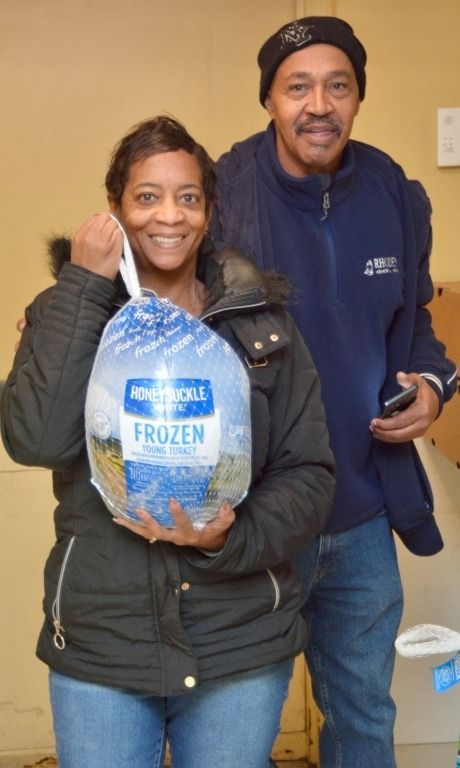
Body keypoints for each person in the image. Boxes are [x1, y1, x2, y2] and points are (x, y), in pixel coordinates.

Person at [1, 116, 335, 768]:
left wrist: (227, 537)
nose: (169, 217)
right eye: (146, 197)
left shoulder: (260, 328)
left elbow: (310, 476)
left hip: (238, 637)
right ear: (116, 210)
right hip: (104, 641)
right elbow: (33, 440)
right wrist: (82, 284)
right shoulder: (69, 312)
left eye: (188, 197)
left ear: (209, 212)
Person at [210, 16, 458, 768]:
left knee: (361, 717)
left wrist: (432, 386)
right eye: (297, 87)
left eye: (338, 85)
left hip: (360, 512)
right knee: (234, 732)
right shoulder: (221, 192)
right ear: (269, 101)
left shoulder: (392, 191)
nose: (318, 104)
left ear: (357, 98)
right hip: (254, 517)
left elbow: (414, 320)